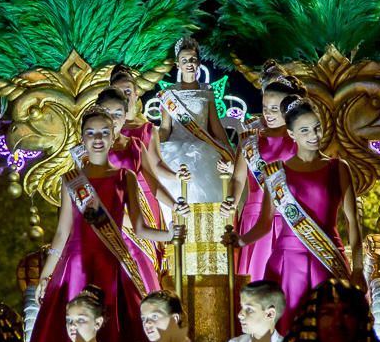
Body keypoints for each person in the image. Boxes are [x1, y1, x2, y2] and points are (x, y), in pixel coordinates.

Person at [31, 106, 189, 342]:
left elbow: (138, 227)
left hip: (113, 262)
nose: (97, 138)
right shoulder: (70, 179)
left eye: (104, 132)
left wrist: (167, 236)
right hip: (77, 265)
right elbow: (62, 232)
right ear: (82, 138)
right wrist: (46, 276)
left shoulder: (124, 176)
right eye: (90, 133)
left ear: (113, 136)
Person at [225, 96, 364, 333]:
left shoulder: (339, 168)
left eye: (317, 128)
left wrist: (359, 268)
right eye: (305, 130)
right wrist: (241, 240)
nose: (313, 135)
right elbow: (265, 224)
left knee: (328, 330)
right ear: (292, 134)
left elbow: (353, 222)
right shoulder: (276, 173)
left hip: (326, 258)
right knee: (288, 332)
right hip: (286, 262)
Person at [220, 61, 303, 280]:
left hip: (288, 218)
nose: (269, 114)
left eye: (275, 109)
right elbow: (238, 178)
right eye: (266, 108)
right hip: (254, 217)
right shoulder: (250, 141)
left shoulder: (299, 142)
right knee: (255, 278)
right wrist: (231, 199)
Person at [110, 64, 190, 230]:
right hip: (114, 199)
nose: (124, 97)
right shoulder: (102, 133)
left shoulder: (146, 130)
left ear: (136, 93)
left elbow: (156, 166)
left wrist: (176, 176)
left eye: (127, 92)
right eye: (118, 93)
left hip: (145, 198)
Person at [158, 37, 234, 205]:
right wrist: (154, 148)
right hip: (175, 150)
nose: (189, 63)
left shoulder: (207, 90)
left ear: (199, 62)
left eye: (192, 59)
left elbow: (215, 126)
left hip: (204, 148)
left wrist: (227, 148)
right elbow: (165, 128)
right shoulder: (169, 93)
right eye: (184, 60)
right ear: (178, 64)